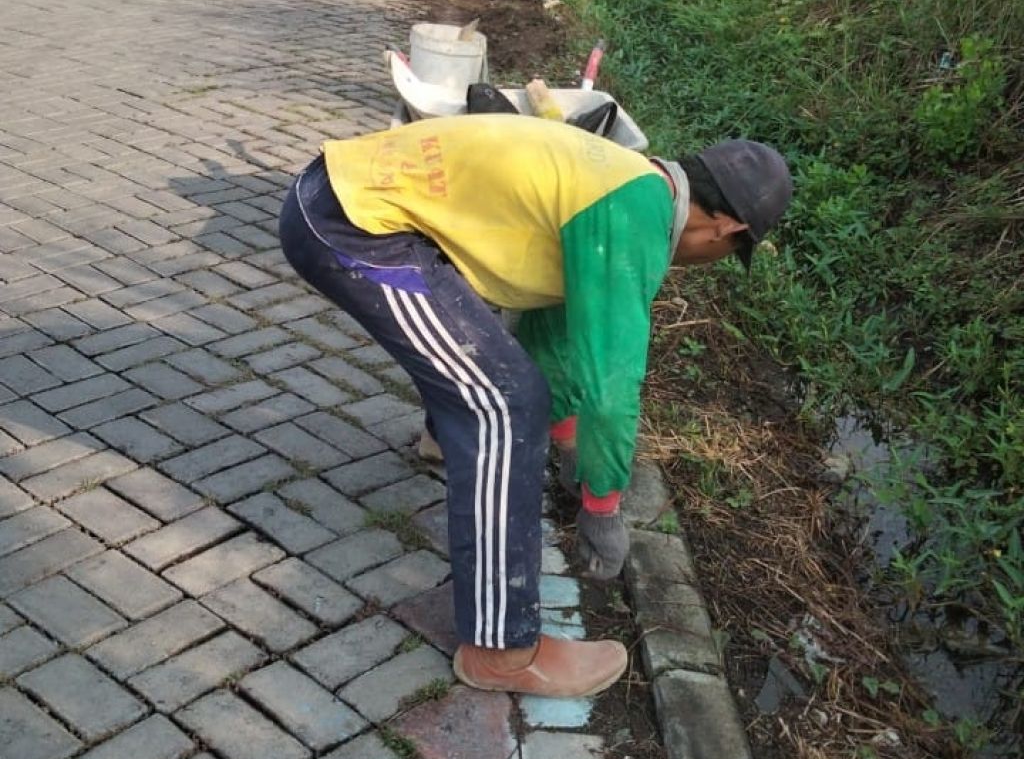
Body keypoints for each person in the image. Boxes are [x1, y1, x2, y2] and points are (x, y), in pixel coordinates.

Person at [279, 118, 793, 700]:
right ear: (726, 227)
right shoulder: (631, 220)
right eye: (732, 253)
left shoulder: (624, 180)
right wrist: (603, 504)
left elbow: (554, 333)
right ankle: (501, 650)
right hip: (353, 227)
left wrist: (570, 441)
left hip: (344, 194)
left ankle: (441, 439)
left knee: (490, 361)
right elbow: (612, 386)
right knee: (504, 405)